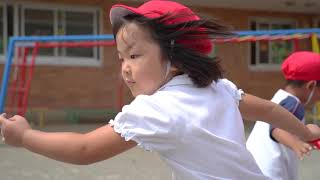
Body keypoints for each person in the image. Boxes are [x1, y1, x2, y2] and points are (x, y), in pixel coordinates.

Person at [0, 1, 320, 179]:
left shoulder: (159, 109)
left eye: (135, 55)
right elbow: (268, 109)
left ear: (176, 56)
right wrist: (304, 132)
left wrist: (25, 137)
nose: (125, 67)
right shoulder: (219, 89)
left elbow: (85, 150)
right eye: (121, 57)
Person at [246, 51, 320, 180]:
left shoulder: (280, 98)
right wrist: (296, 143)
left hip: (254, 168)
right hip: (270, 173)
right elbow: (276, 128)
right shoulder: (294, 104)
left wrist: (302, 138)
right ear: (311, 85)